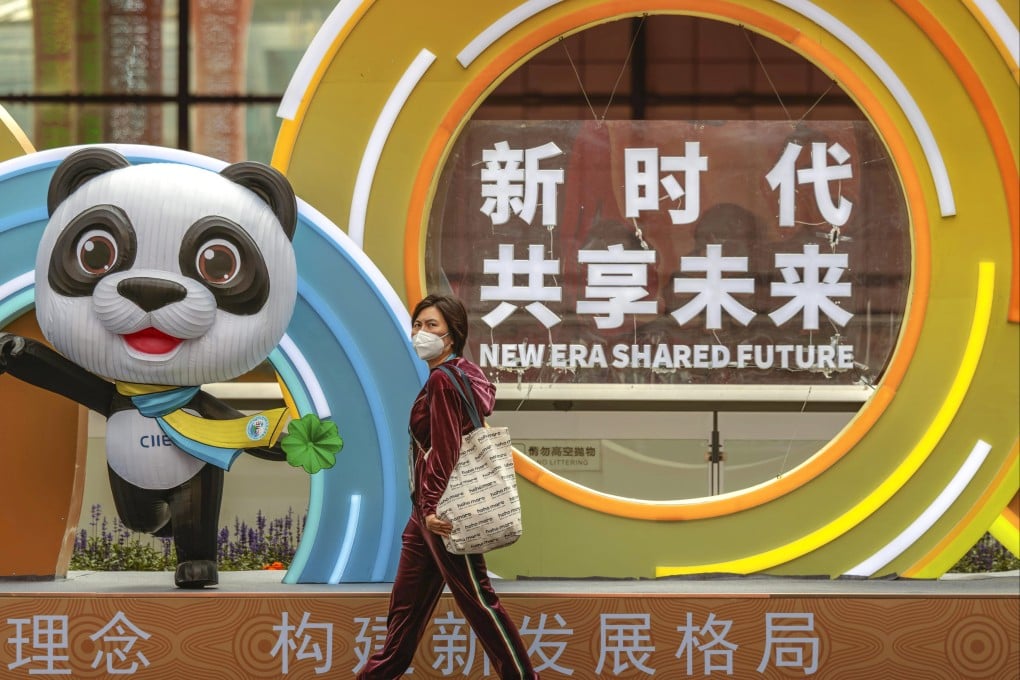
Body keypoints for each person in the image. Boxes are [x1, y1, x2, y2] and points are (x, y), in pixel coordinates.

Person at [357, 294, 539, 680]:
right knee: (404, 611)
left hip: (441, 513)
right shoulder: (458, 375)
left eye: (432, 326)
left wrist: (430, 508)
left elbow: (445, 449)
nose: (421, 333)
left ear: (452, 335)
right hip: (425, 514)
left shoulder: (443, 379)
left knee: (478, 601)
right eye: (418, 325)